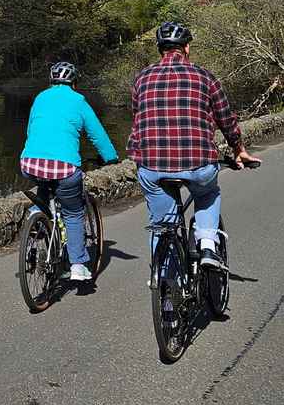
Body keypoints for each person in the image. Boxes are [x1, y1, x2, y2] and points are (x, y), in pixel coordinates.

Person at [130, 22, 261, 272]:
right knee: (207, 194)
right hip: (198, 164)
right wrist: (238, 149)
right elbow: (225, 119)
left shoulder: (141, 79)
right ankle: (208, 245)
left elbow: (138, 118)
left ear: (160, 49)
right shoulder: (205, 77)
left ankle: (165, 281)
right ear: (187, 48)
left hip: (152, 166)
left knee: (163, 223)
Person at [19, 60, 119, 283]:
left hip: (29, 163)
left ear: (52, 81)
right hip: (63, 167)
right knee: (73, 213)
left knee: (44, 183)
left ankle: (37, 213)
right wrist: (110, 158)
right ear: (74, 83)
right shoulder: (79, 101)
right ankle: (78, 264)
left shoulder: (40, 97)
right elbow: (97, 135)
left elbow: (30, 129)